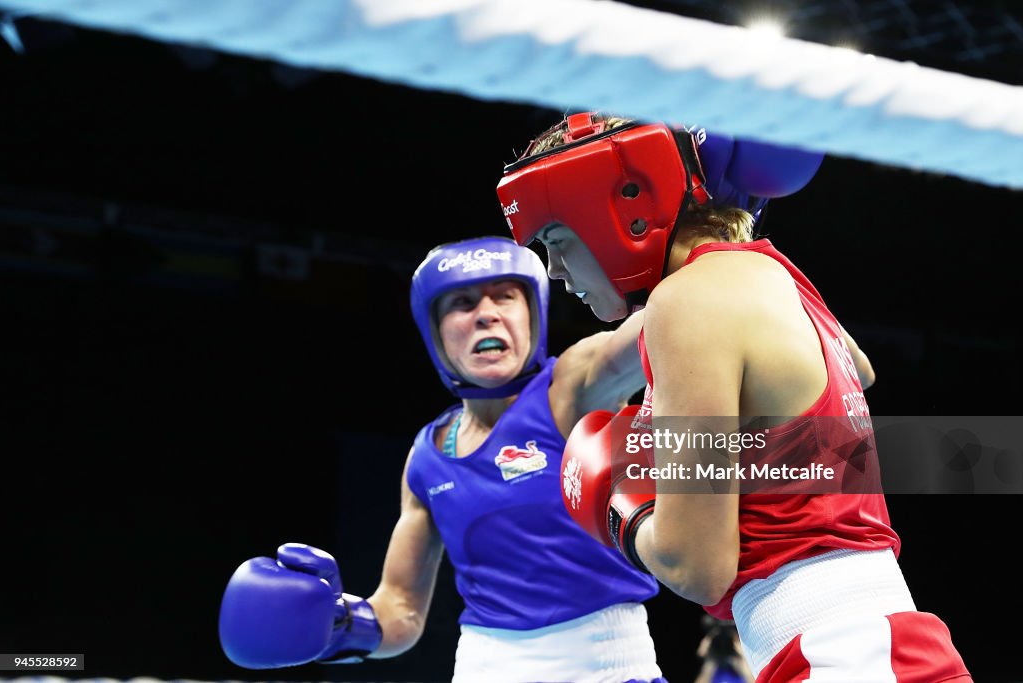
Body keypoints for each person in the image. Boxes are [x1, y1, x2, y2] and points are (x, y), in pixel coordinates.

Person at [496, 112, 972, 682]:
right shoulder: (773, 274)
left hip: (841, 655)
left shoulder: (688, 299)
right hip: (855, 647)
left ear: (620, 210)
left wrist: (618, 498)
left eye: (556, 240)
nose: (554, 271)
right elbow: (858, 371)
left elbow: (694, 564)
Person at [218, 235, 669, 683]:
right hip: (481, 667)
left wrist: (712, 257)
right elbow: (400, 609)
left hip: (605, 663)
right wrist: (338, 625)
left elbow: (664, 322)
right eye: (463, 303)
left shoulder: (571, 385)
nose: (487, 314)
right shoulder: (427, 455)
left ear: (533, 313)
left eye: (506, 297)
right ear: (435, 331)